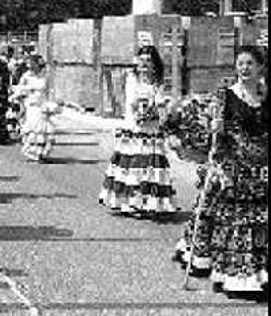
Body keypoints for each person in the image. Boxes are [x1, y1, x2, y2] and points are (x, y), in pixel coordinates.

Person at [174, 46, 268, 295]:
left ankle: (258, 272)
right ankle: (235, 274)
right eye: (240, 63)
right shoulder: (225, 96)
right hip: (231, 165)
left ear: (260, 67)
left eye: (250, 63)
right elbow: (210, 135)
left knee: (258, 221)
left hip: (260, 169)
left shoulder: (265, 97)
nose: (244, 68)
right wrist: (215, 127)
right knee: (232, 219)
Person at [98, 45, 177, 217]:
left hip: (151, 129)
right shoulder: (132, 79)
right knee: (134, 166)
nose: (144, 64)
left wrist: (160, 113)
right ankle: (131, 203)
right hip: (135, 128)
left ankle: (148, 203)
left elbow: (162, 103)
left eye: (148, 61)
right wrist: (144, 111)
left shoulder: (158, 83)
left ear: (155, 64)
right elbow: (132, 101)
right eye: (141, 60)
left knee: (149, 167)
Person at [12, 55, 55, 162]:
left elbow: (50, 92)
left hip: (42, 106)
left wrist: (51, 105)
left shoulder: (46, 77)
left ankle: (42, 153)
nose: (30, 66)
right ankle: (32, 153)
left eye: (32, 63)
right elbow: (19, 90)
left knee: (44, 129)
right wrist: (21, 100)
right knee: (32, 129)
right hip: (31, 106)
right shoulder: (26, 76)